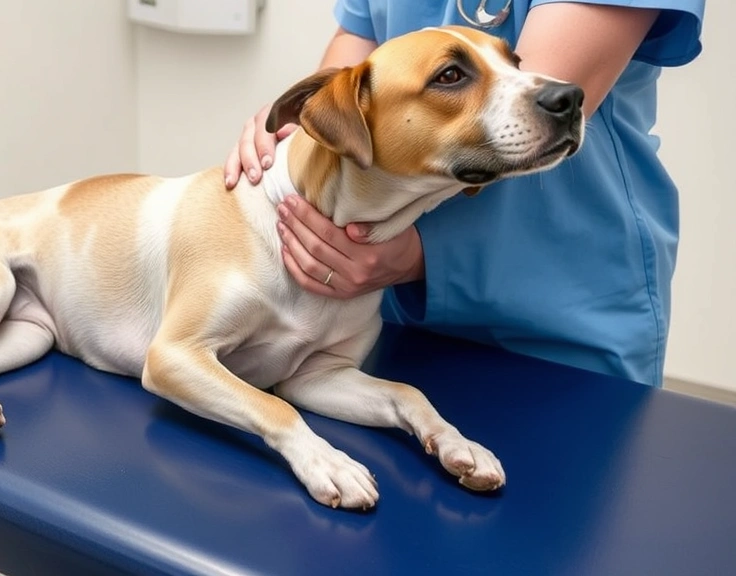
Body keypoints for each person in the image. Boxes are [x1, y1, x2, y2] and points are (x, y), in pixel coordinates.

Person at [224, 0, 705, 387]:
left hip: (564, 301)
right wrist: (305, 123)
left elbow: (537, 108)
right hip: (384, 307)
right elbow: (354, 67)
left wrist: (407, 256)